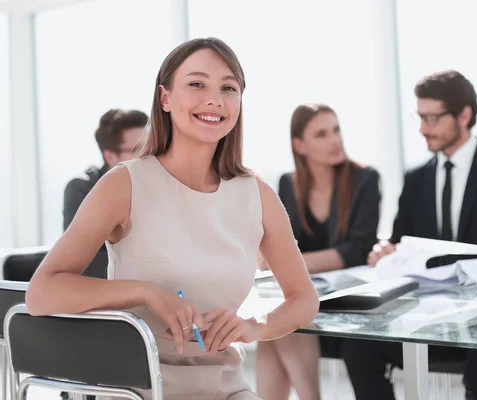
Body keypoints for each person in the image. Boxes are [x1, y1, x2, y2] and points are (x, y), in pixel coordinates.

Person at [26, 37, 320, 400]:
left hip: (224, 386)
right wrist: (147, 293)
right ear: (164, 98)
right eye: (197, 83)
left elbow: (304, 299)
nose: (214, 98)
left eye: (228, 87)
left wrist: (255, 326)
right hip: (136, 386)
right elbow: (42, 293)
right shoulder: (125, 184)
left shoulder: (257, 195)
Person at [341, 69, 477, 400]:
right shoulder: (416, 179)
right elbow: (402, 244)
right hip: (431, 317)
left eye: (433, 118)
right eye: (420, 117)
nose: (423, 129)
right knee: (358, 346)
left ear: (464, 115)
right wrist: (388, 251)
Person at [256, 104, 381, 400]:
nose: (334, 140)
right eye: (322, 134)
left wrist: (290, 265)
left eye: (336, 130)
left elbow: (359, 249)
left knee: (284, 317)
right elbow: (282, 242)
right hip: (309, 295)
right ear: (299, 145)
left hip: (350, 297)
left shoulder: (365, 179)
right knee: (280, 318)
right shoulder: (288, 184)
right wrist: (272, 257)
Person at [62, 109, 147, 280]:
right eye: (137, 149)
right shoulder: (81, 189)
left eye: (150, 146)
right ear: (109, 156)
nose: (148, 155)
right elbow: (88, 265)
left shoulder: (157, 185)